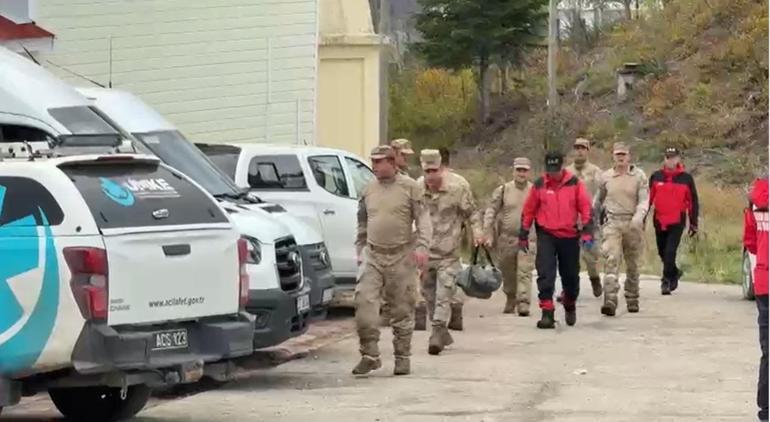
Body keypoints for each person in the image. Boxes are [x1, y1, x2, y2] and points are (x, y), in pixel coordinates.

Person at [353, 145, 432, 376]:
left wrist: (422, 247)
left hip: (401, 255)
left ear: (392, 162)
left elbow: (424, 219)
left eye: (379, 162)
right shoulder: (368, 190)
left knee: (402, 309)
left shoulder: (410, 187)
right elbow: (362, 222)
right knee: (364, 304)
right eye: (373, 162)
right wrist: (360, 248)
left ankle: (402, 357)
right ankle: (370, 354)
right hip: (374, 255)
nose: (374, 166)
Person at [417, 149, 482, 355]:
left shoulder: (457, 187)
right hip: (426, 253)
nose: (430, 176)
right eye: (426, 171)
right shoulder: (416, 188)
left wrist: (478, 233)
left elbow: (472, 213)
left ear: (442, 168)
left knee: (444, 293)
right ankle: (442, 330)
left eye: (434, 170)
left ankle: (436, 333)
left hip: (448, 253)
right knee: (429, 295)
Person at [519, 152, 593, 329]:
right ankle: (547, 312)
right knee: (545, 273)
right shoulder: (539, 185)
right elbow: (529, 210)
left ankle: (569, 301)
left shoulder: (575, 184)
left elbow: (585, 208)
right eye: (550, 170)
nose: (553, 174)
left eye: (556, 170)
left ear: (562, 167)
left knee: (571, 277)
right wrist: (523, 233)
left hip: (569, 235)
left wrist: (587, 232)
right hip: (547, 235)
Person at [593, 142, 649, 316]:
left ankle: (632, 297)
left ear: (629, 156)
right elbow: (598, 200)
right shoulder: (606, 176)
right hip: (612, 223)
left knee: (632, 264)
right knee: (611, 259)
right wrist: (592, 219)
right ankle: (610, 299)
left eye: (623, 154)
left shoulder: (639, 176)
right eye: (618, 154)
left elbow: (644, 200)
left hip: (632, 223)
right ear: (613, 156)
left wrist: (638, 217)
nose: (621, 157)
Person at [482, 157, 535, 316]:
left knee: (524, 271)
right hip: (507, 239)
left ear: (529, 172)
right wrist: (487, 232)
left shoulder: (535, 190)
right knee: (508, 271)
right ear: (513, 171)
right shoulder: (503, 190)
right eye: (518, 170)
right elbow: (491, 210)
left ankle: (523, 302)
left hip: (528, 239)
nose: (521, 173)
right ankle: (511, 297)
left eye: (524, 170)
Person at [380, 138, 424, 330]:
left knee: (408, 275)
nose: (406, 159)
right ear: (394, 154)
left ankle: (416, 310)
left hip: (407, 234)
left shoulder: (408, 180)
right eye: (403, 155)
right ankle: (388, 311)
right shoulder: (383, 178)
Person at [648, 147, 699, 295]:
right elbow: (648, 199)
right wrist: (642, 218)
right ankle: (674, 272)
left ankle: (665, 281)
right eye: (668, 157)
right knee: (662, 252)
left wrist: (693, 223)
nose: (670, 161)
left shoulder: (686, 178)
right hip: (659, 219)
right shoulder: (656, 176)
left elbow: (692, 201)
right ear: (664, 159)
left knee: (670, 252)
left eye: (673, 158)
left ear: (678, 159)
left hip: (677, 220)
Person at [565, 138, 604, 298]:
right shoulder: (566, 172)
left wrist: (599, 213)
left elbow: (602, 194)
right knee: (568, 257)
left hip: (589, 221)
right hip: (570, 221)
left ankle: (594, 279)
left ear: (588, 151)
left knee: (590, 256)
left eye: (583, 148)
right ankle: (569, 289)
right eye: (577, 148)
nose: (579, 151)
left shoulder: (596, 172)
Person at [743, 177, 768, 422]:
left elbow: (750, 242)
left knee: (768, 350)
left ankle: (766, 411)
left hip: (764, 281)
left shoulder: (756, 197)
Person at [439, 147, 472, 330]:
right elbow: (469, 211)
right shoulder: (462, 182)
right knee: (454, 273)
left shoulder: (422, 181)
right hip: (454, 236)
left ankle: (432, 315)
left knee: (430, 275)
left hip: (432, 237)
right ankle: (456, 309)